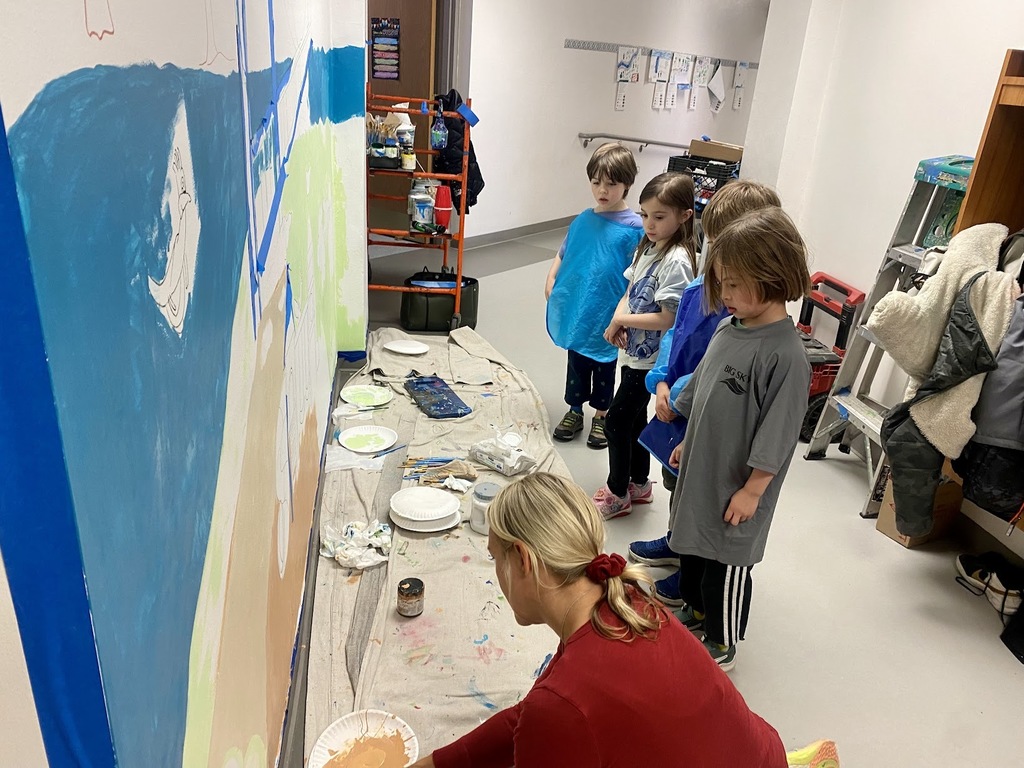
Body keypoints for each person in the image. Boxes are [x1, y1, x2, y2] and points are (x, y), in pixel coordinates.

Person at [409, 472, 788, 768]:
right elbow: (532, 718)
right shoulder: (623, 601)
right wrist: (435, 764)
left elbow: (552, 715)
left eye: (496, 558)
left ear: (523, 559)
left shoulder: (564, 703)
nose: (496, 573)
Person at [665, 206, 812, 671]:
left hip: (738, 486)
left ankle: (722, 638)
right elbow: (704, 391)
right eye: (721, 283)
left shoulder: (786, 356)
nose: (724, 295)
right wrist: (688, 439)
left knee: (724, 565)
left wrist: (752, 491)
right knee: (693, 551)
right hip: (702, 470)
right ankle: (696, 610)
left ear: (772, 276)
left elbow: (779, 433)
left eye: (732, 284)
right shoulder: (729, 329)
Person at [628, 182, 784, 610]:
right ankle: (679, 540)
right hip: (677, 410)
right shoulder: (702, 286)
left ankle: (692, 565)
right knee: (677, 482)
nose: (718, 254)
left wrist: (679, 393)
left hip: (707, 414)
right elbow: (675, 336)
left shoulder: (744, 306)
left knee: (704, 496)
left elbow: (718, 370)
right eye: (714, 242)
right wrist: (660, 380)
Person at [591, 172, 697, 519]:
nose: (649, 224)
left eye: (659, 216)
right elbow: (630, 288)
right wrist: (616, 319)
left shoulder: (677, 260)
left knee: (616, 423)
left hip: (651, 360)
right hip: (633, 351)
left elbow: (668, 318)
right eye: (645, 214)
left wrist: (623, 320)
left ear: (684, 215)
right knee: (635, 419)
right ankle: (639, 482)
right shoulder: (649, 246)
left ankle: (618, 493)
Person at [545, 143, 644, 449]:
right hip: (580, 307)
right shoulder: (583, 220)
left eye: (611, 184)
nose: (602, 190)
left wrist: (625, 313)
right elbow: (565, 252)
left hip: (608, 309)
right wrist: (551, 277)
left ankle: (601, 415)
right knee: (576, 360)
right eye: (596, 182)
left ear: (627, 183)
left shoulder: (635, 228)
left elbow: (639, 273)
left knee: (604, 364)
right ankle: (574, 411)